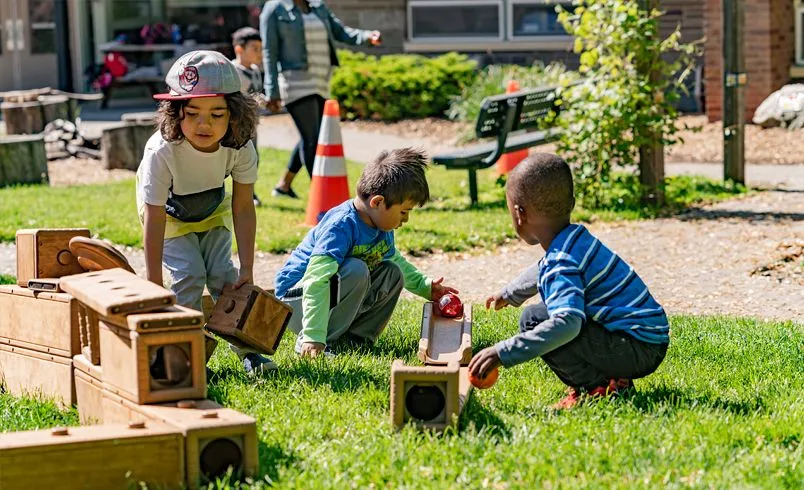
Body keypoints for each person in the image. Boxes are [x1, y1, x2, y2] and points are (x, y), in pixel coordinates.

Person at [468, 154, 670, 409]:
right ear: (571, 203)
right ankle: (615, 380)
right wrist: (511, 293)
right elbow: (543, 267)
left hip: (635, 347)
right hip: (647, 341)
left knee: (534, 321)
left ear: (520, 215)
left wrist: (503, 352)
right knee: (538, 314)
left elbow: (568, 324)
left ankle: (596, 388)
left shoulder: (561, 262)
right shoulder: (575, 239)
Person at [136, 50, 275, 375]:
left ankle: (248, 352)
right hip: (168, 213)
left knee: (225, 278)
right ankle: (187, 357)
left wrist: (247, 267)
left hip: (211, 208)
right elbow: (154, 216)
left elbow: (243, 206)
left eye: (217, 114)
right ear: (176, 113)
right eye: (193, 113)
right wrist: (153, 281)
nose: (204, 124)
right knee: (189, 276)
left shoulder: (240, 147)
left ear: (234, 115)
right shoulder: (161, 152)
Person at [274, 148, 458, 357]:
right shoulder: (340, 226)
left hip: (321, 296)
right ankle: (318, 342)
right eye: (403, 212)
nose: (405, 220)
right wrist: (312, 335)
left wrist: (425, 287)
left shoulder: (381, 227)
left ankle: (355, 341)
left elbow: (395, 260)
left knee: (392, 272)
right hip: (295, 303)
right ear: (377, 202)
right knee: (357, 269)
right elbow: (316, 280)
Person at [260, 0, 382, 199]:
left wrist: (367, 37)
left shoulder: (318, 6)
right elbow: (269, 51)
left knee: (311, 136)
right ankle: (323, 196)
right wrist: (271, 91)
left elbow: (341, 32)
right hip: (295, 82)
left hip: (321, 82)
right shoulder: (275, 8)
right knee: (313, 140)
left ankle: (284, 186)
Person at [232, 26, 267, 207]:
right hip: (236, 125)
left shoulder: (255, 69)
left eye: (261, 49)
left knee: (252, 159)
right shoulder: (232, 71)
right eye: (255, 49)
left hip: (251, 125)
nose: (259, 53)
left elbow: (256, 93)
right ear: (239, 49)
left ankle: (249, 194)